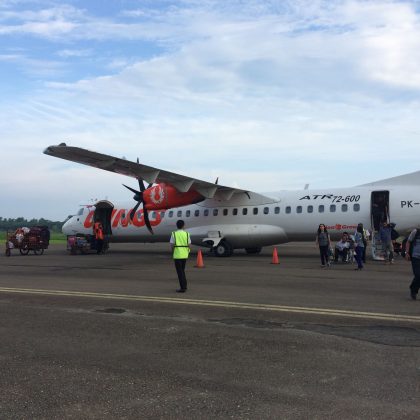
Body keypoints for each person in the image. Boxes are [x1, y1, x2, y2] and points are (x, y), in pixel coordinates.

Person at [170, 220, 191, 292]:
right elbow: (189, 244)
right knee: (182, 271)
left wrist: (173, 252)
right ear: (183, 225)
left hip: (177, 255)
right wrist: (187, 251)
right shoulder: (187, 234)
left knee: (180, 272)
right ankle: (184, 286)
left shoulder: (174, 234)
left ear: (177, 225)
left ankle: (183, 288)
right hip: (185, 255)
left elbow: (172, 245)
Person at [405, 228, 420, 300]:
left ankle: (413, 290)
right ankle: (413, 289)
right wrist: (407, 252)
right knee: (418, 275)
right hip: (416, 257)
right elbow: (408, 241)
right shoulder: (415, 232)